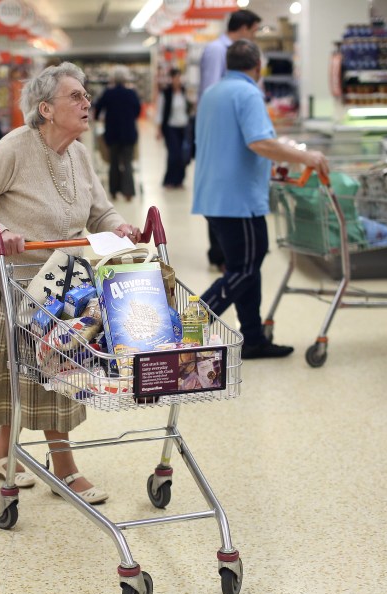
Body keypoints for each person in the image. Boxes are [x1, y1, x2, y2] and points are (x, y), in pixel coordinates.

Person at [0, 62, 141, 505]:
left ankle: (2, 452)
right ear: (46, 109)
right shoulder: (13, 149)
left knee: (30, 374)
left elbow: (99, 211)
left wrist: (121, 226)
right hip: (21, 283)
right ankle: (66, 470)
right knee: (56, 374)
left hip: (67, 283)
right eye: (76, 96)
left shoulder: (78, 153)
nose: (87, 102)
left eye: (86, 94)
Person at [192, 39, 329, 360]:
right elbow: (260, 143)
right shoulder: (248, 92)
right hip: (239, 199)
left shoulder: (212, 93)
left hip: (214, 195)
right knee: (244, 269)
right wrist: (304, 156)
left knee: (247, 266)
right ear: (258, 67)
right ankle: (185, 327)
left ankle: (252, 338)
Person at [198, 9, 263, 271]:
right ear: (244, 27)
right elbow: (211, 90)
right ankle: (221, 255)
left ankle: (228, 255)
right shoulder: (217, 50)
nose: (256, 36)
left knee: (227, 192)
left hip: (235, 129)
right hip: (223, 131)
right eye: (255, 30)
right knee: (220, 191)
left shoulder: (240, 52)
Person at [93, 66, 141, 202]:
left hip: (112, 134)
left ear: (113, 78)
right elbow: (137, 111)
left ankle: (113, 191)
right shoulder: (131, 93)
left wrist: (99, 118)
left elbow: (98, 108)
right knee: (127, 162)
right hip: (128, 134)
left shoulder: (108, 93)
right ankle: (128, 193)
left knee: (113, 162)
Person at [156, 68, 194, 189]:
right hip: (170, 127)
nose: (177, 80)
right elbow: (160, 112)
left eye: (179, 77)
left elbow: (189, 108)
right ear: (171, 79)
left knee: (183, 154)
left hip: (183, 127)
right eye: (175, 78)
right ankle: (169, 180)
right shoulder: (165, 93)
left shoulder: (184, 92)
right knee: (174, 154)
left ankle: (179, 180)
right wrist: (158, 129)